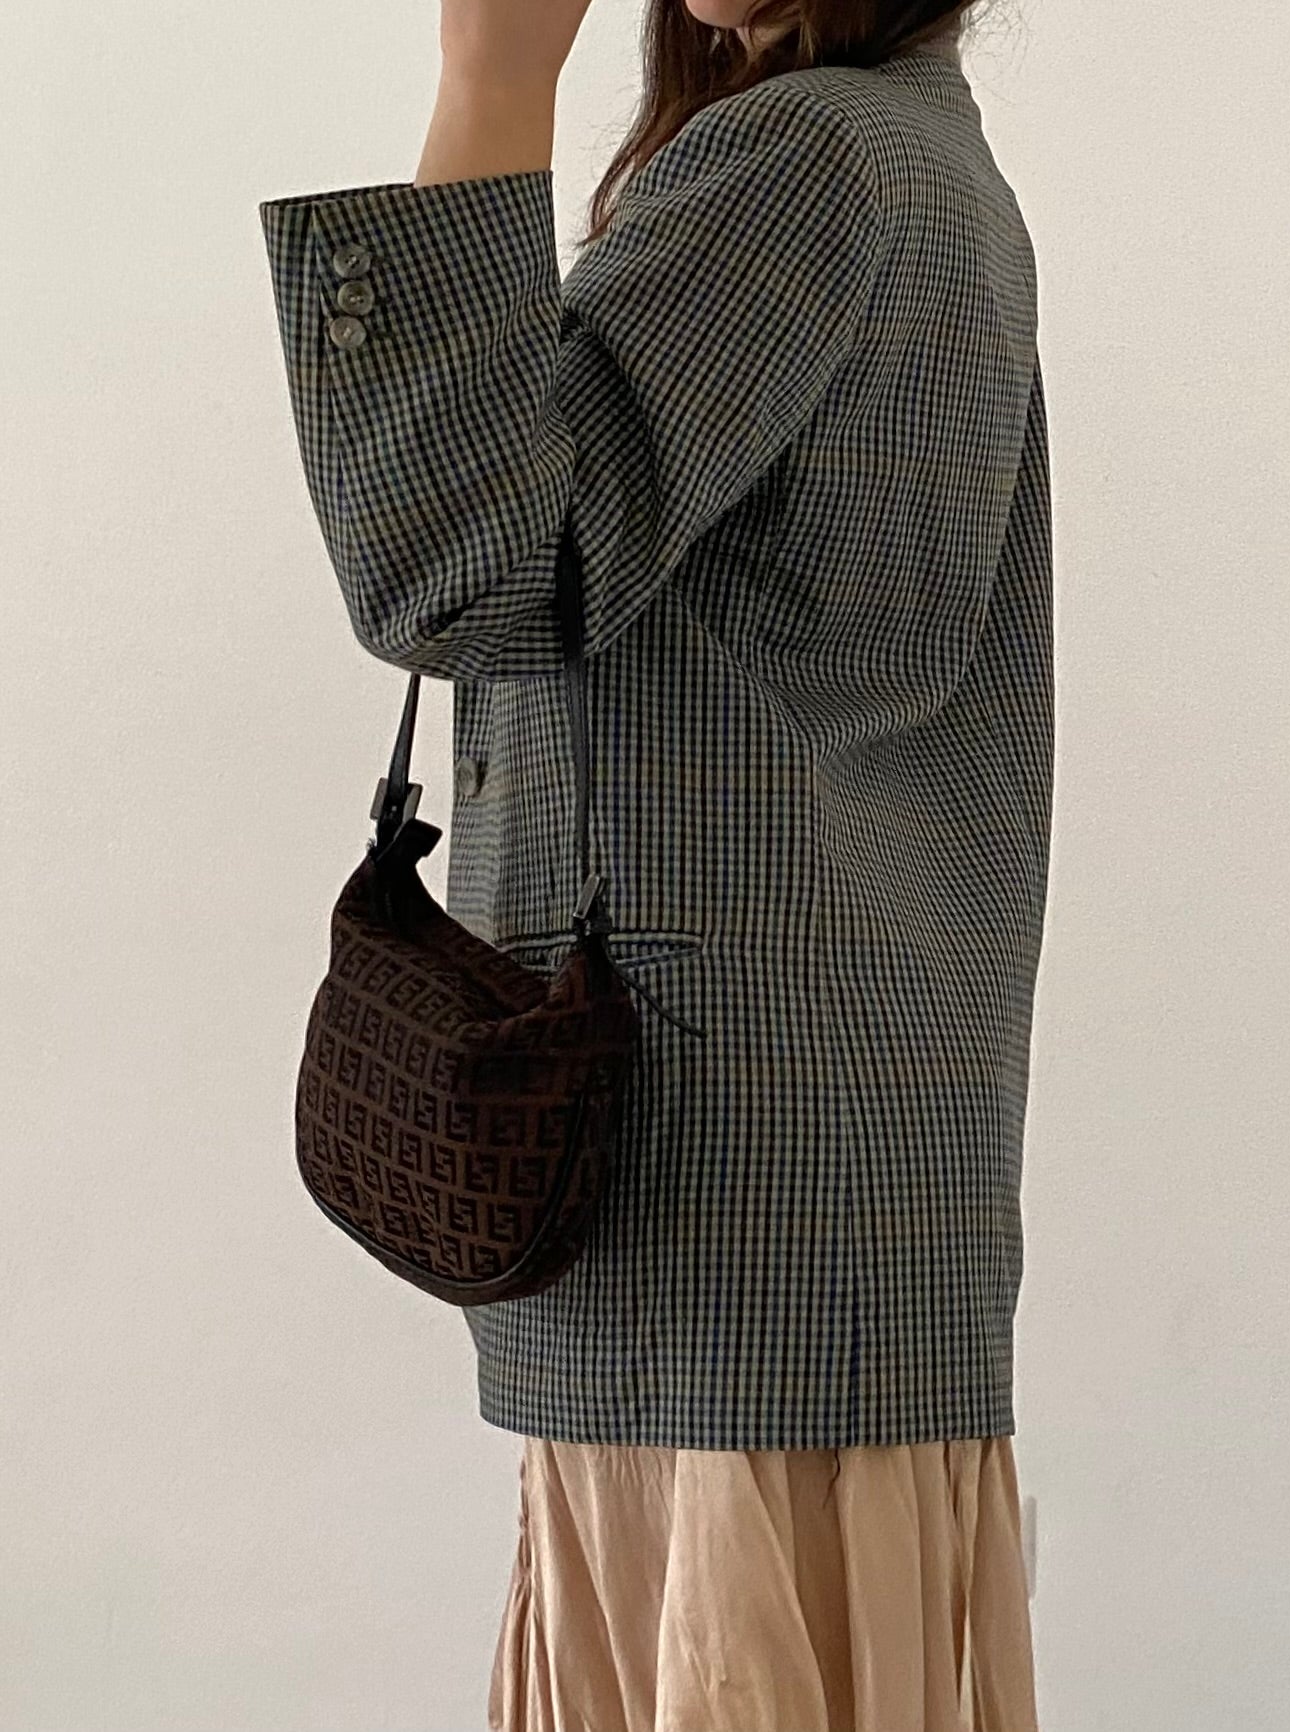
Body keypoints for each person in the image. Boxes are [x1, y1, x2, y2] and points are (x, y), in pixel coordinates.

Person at [259, 0, 1050, 1724]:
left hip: (708, 1169)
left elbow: (461, 570)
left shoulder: (804, 156)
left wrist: (489, 77)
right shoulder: (917, 151)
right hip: (825, 1147)